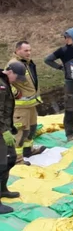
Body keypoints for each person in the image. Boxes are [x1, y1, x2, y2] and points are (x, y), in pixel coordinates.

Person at [8, 41, 44, 159]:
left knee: (32, 128)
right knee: (20, 133)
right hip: (20, 107)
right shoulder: (13, 64)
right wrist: (16, 93)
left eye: (30, 50)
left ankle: (28, 151)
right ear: (18, 50)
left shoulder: (27, 63)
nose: (29, 53)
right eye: (25, 50)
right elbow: (5, 82)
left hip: (31, 105)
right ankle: (17, 159)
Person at [0, 61, 26, 214]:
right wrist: (4, 130)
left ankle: (2, 189)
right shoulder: (1, 86)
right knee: (0, 164)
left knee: (10, 159)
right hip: (1, 130)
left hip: (5, 128)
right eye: (17, 77)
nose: (17, 81)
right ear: (10, 72)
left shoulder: (5, 83)